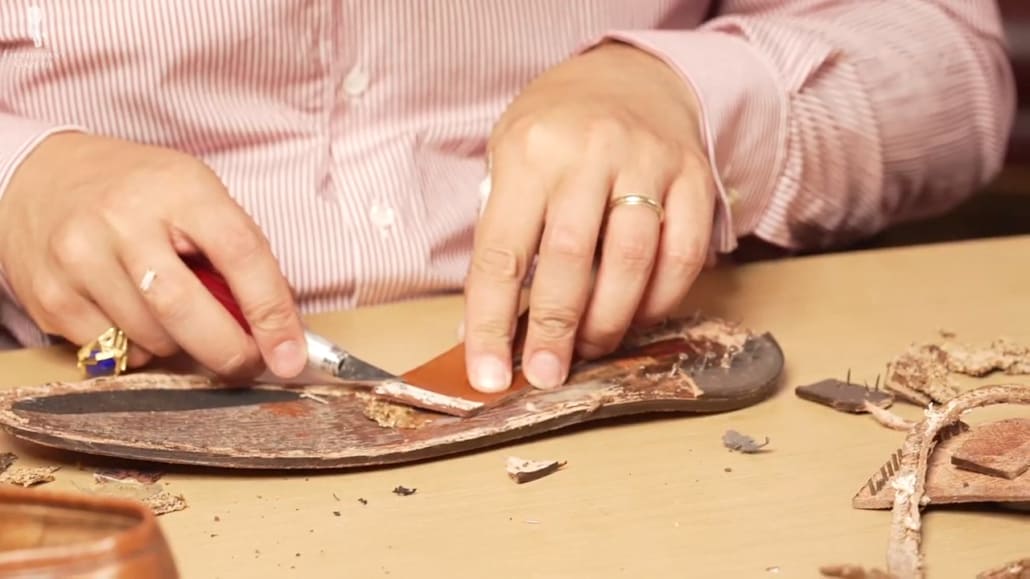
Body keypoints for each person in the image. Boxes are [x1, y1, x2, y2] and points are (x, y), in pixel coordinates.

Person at [0, 2, 1015, 393]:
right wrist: (18, 179)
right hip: (84, 404)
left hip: (640, 396)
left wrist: (686, 93)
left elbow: (954, 60)